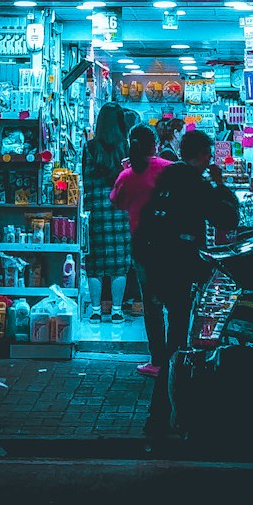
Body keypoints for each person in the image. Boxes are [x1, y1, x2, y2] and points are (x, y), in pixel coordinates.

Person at [134, 128, 240, 440]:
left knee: (176, 340)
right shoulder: (196, 182)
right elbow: (225, 218)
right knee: (179, 343)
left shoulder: (168, 176)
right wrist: (221, 186)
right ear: (205, 156)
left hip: (157, 265)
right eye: (209, 156)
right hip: (178, 268)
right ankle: (164, 416)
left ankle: (165, 414)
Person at [109, 124, 171, 377]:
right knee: (177, 304)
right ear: (155, 144)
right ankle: (177, 358)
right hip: (172, 243)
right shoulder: (168, 169)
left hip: (144, 246)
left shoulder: (127, 175)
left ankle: (158, 361)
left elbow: (118, 202)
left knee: (152, 306)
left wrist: (127, 172)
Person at [81, 101, 133, 322]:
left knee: (95, 264)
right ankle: (117, 310)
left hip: (95, 212)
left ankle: (94, 310)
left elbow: (84, 177)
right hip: (120, 211)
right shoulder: (127, 148)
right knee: (119, 264)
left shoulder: (90, 148)